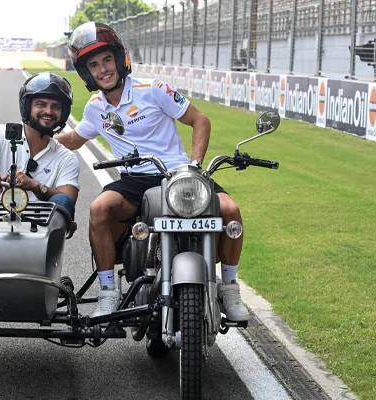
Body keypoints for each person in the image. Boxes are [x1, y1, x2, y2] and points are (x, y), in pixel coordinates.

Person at [55, 22, 249, 322]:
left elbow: (201, 121)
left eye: (107, 60)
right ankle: (109, 291)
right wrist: (38, 137)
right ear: (86, 74)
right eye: (93, 65)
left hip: (179, 173)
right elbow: (75, 139)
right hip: (135, 180)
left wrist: (196, 166)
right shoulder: (95, 108)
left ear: (120, 60)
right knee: (98, 209)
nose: (103, 69)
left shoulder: (154, 89)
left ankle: (229, 285)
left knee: (231, 210)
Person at [0, 72, 80, 219]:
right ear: (27, 106)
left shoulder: (67, 158)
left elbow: (67, 200)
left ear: (63, 112)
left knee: (63, 201)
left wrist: (35, 186)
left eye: (56, 107)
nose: (48, 111)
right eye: (41, 104)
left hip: (37, 233)